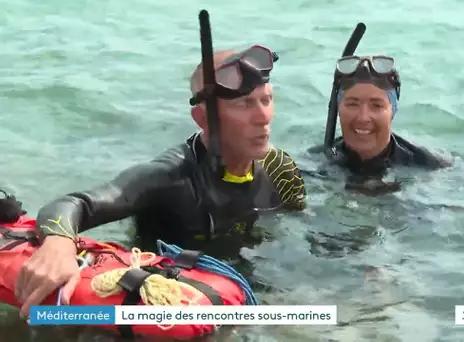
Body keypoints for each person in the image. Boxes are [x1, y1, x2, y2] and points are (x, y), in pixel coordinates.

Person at [14, 44, 306, 318]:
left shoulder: (278, 167)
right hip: (171, 298)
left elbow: (300, 226)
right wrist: (58, 245)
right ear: (202, 118)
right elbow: (73, 204)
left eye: (266, 100)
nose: (263, 117)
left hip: (245, 287)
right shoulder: (169, 177)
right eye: (245, 104)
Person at [312, 53, 453, 195]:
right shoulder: (314, 161)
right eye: (352, 104)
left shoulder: (430, 166)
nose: (363, 118)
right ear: (337, 108)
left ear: (393, 110)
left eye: (376, 106)